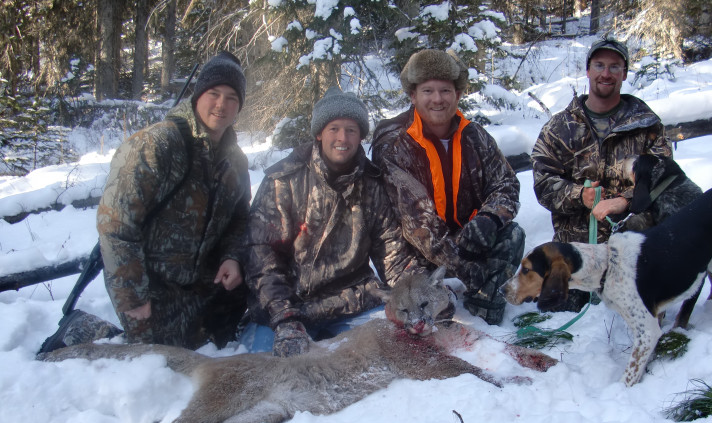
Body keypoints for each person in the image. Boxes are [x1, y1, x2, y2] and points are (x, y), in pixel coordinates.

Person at [244, 86, 424, 356]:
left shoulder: (372, 184)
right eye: (334, 129)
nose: (343, 138)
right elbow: (262, 258)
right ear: (319, 133)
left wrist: (419, 292)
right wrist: (284, 317)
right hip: (288, 308)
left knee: (397, 353)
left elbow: (391, 251)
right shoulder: (282, 181)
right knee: (263, 372)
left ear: (361, 135)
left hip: (352, 303)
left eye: (351, 130)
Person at [96, 51, 251, 349]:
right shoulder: (157, 144)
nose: (221, 104)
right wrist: (134, 299)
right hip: (153, 286)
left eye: (232, 97)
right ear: (197, 96)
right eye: (213, 93)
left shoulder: (236, 161)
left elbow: (240, 218)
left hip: (203, 285)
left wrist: (232, 257)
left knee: (218, 346)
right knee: (156, 364)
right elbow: (116, 226)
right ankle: (84, 333)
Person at [371, 49, 524, 326]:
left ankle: (482, 307)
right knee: (418, 307)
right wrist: (468, 270)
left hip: (464, 241)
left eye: (445, 90)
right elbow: (419, 223)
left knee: (511, 234)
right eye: (428, 90)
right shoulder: (394, 144)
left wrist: (490, 217)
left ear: (458, 94)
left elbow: (507, 183)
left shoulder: (475, 136)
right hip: (413, 249)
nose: (438, 99)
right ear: (412, 96)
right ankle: (450, 299)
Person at [531, 37, 672, 311]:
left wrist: (626, 201)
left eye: (614, 67)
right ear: (588, 70)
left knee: (634, 313)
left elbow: (665, 178)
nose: (606, 73)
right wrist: (579, 195)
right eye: (599, 65)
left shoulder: (646, 123)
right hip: (576, 251)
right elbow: (542, 182)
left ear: (624, 74)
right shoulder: (560, 126)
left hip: (632, 248)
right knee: (559, 316)